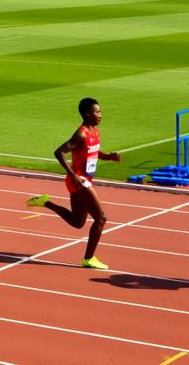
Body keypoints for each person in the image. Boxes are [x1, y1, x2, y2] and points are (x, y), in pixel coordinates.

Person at [26, 97, 120, 270]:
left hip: (84, 180)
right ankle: (89, 259)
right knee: (101, 217)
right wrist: (73, 175)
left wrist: (109, 157)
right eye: (97, 112)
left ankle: (45, 202)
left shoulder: (95, 131)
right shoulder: (81, 134)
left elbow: (93, 152)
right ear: (87, 113)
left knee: (78, 222)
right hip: (79, 181)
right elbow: (59, 152)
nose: (100, 115)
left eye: (100, 111)